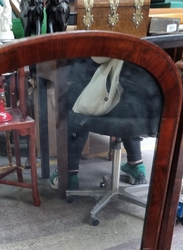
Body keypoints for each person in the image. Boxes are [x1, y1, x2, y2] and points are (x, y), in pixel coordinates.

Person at [49, 57, 162, 190]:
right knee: (131, 95)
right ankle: (136, 165)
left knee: (74, 99)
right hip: (151, 113)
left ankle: (68, 174)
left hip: (117, 108)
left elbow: (98, 57)